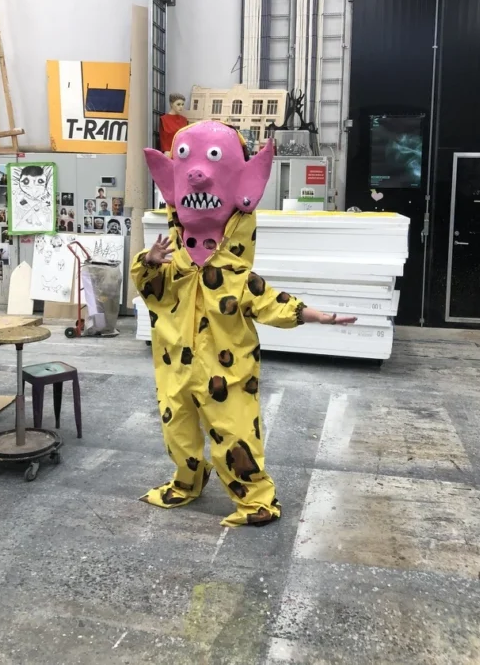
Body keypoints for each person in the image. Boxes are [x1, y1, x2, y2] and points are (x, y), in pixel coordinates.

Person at [131, 120, 356, 527]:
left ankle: (256, 500)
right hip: (175, 368)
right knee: (177, 432)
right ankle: (187, 480)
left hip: (228, 374)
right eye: (187, 163)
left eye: (212, 161)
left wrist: (316, 315)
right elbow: (149, 289)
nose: (198, 175)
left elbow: (272, 302)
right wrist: (148, 262)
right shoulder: (171, 267)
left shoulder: (235, 276)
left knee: (236, 435)